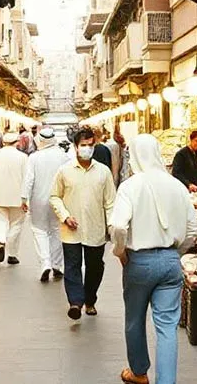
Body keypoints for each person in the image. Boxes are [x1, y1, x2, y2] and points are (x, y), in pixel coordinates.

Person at [111, 134, 197, 384]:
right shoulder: (176, 185)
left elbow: (118, 226)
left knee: (135, 319)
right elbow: (194, 228)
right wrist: (176, 252)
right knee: (167, 327)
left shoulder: (130, 186)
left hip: (139, 262)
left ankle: (139, 373)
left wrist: (121, 252)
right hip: (170, 263)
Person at [50, 127, 116, 319]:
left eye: (90, 145)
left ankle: (90, 299)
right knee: (72, 266)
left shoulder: (103, 172)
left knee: (95, 267)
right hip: (71, 229)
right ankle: (75, 303)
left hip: (96, 229)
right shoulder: (64, 171)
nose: (87, 149)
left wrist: (111, 226)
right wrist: (65, 216)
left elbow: (110, 202)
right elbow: (54, 197)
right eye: (83, 145)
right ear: (75, 147)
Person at [21, 128, 68, 282]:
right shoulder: (64, 156)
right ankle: (56, 264)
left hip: (38, 200)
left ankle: (45, 263)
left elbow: (29, 179)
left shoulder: (34, 158)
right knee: (56, 231)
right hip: (59, 200)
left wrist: (23, 198)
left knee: (39, 231)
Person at [0, 132, 28, 265]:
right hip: (17, 197)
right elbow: (27, 179)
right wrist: (27, 200)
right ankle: (12, 254)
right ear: (17, 142)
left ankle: (1, 241)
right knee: (16, 224)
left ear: (3, 143)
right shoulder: (23, 157)